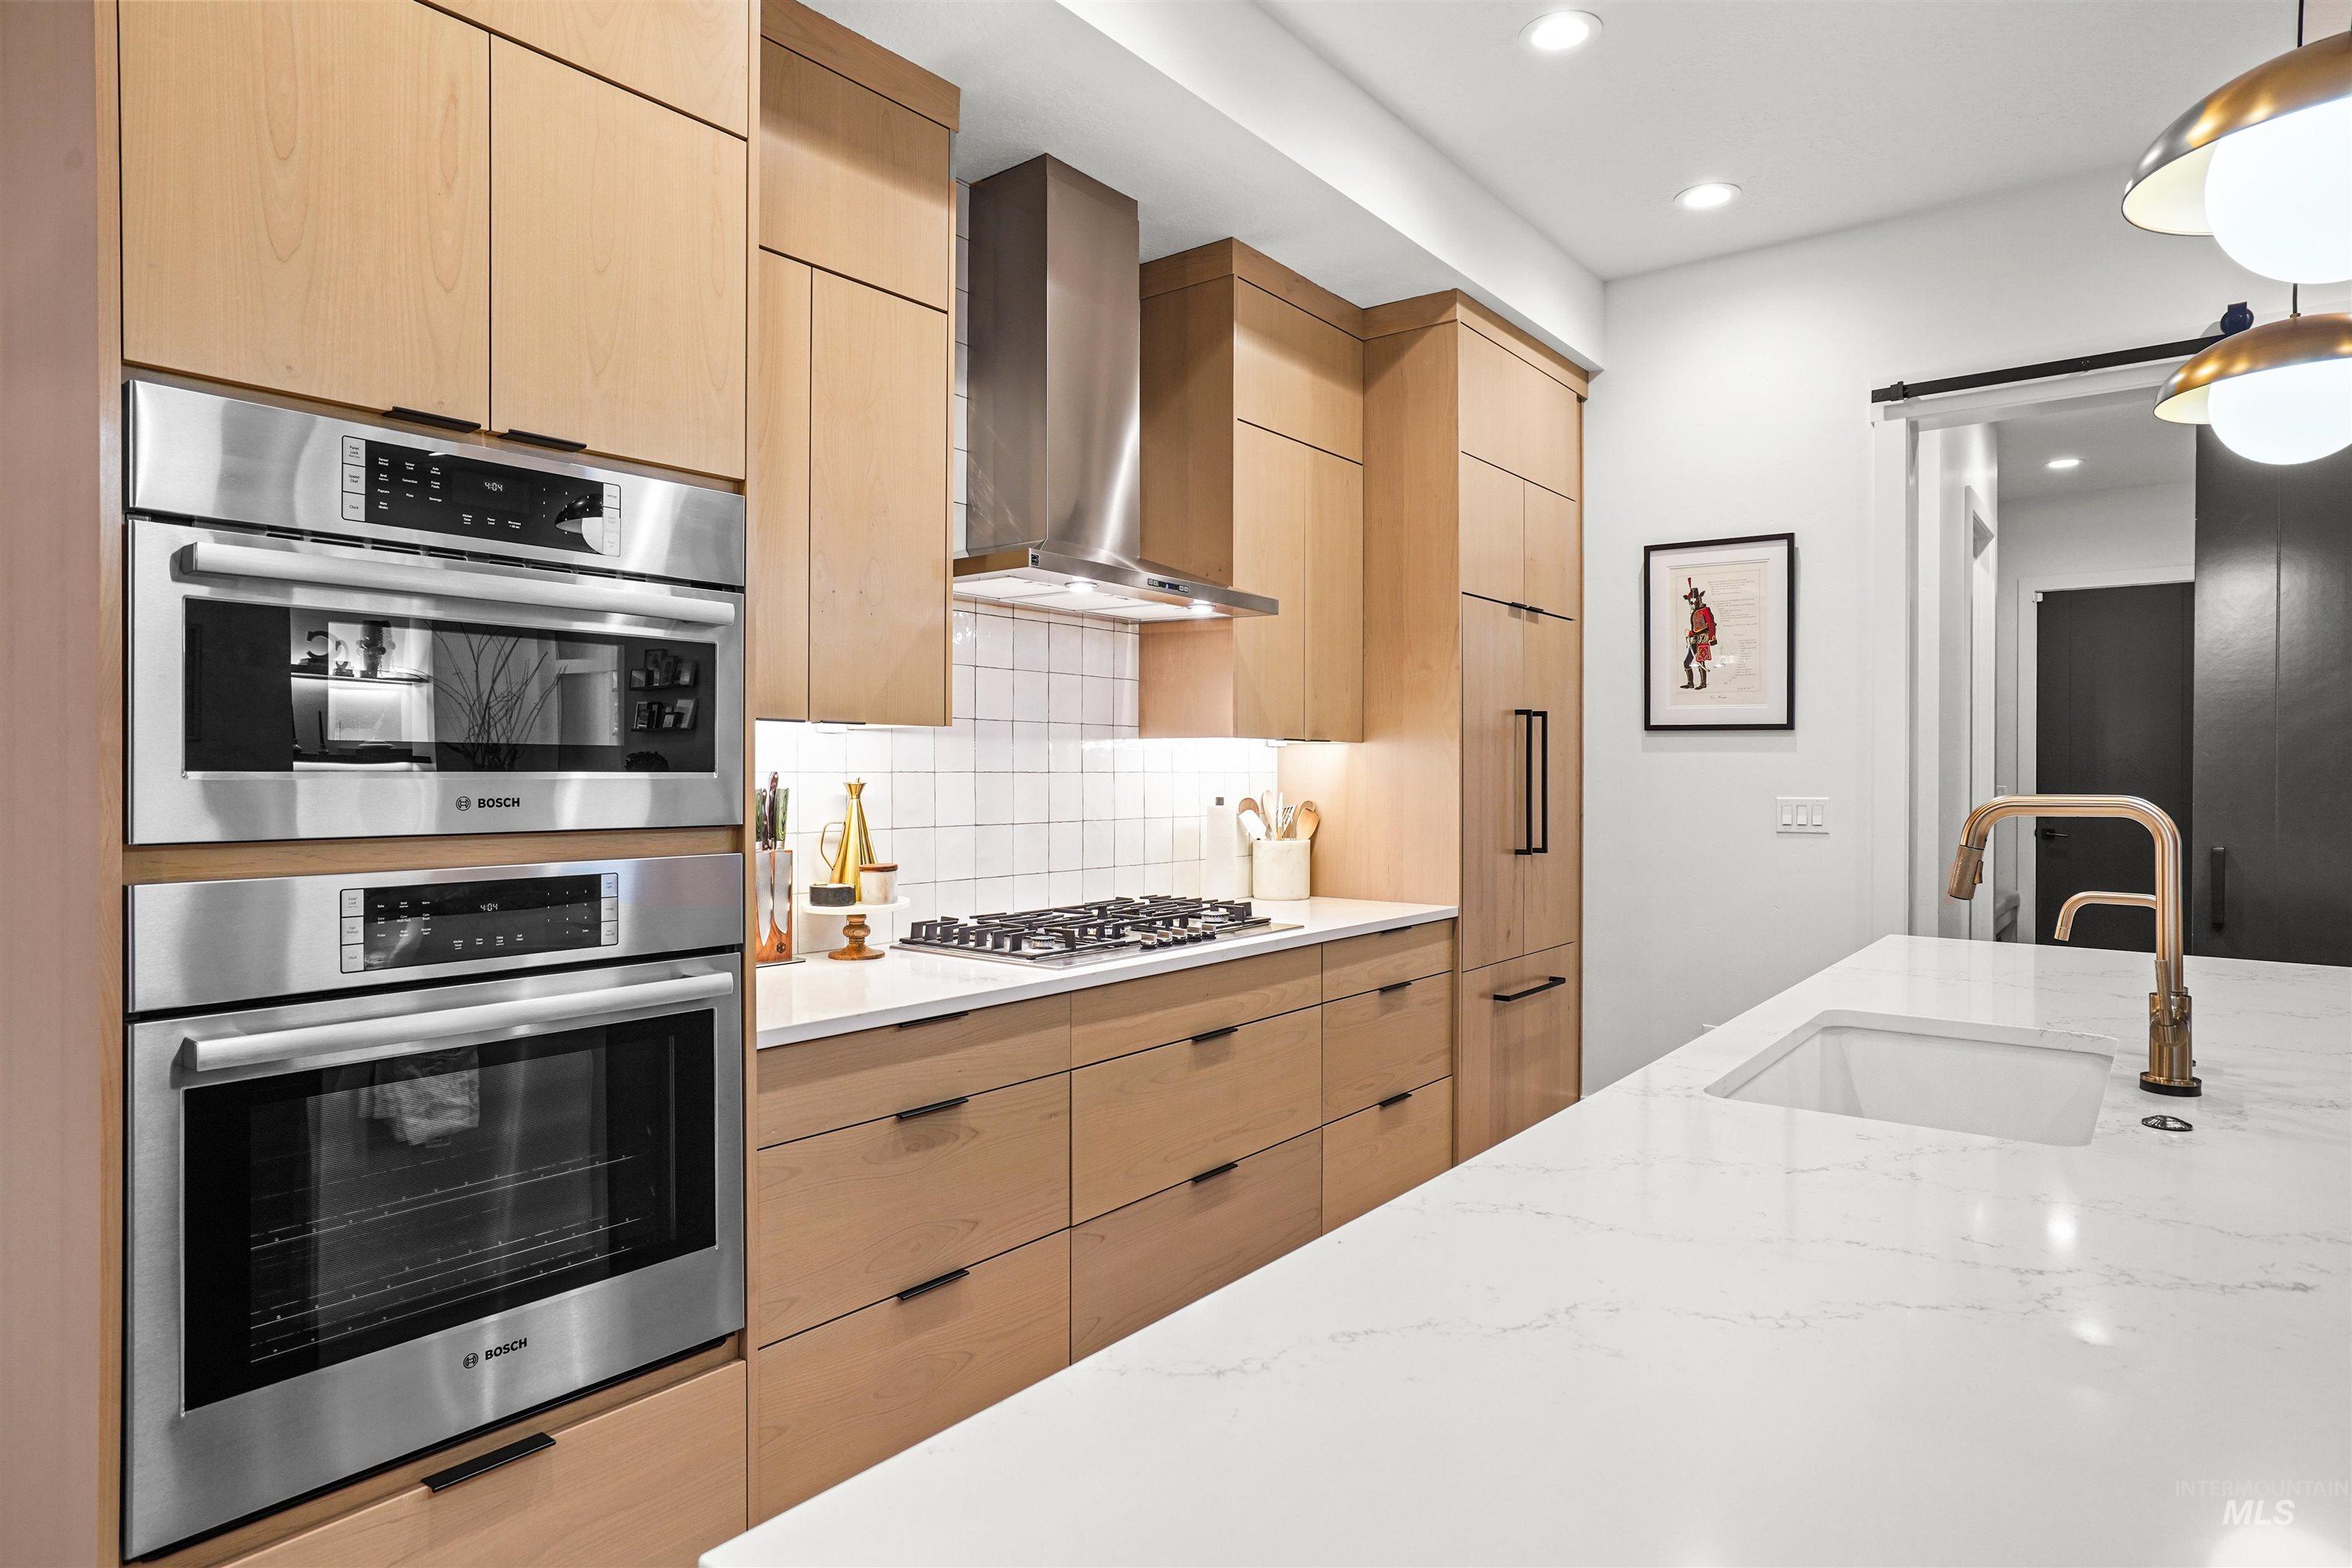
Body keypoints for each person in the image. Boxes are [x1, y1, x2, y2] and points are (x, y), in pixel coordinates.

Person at [1681, 578, 1717, 690]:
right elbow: (1697, 628)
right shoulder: (1694, 611)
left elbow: (1711, 625)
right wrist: (1691, 633)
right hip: (1695, 639)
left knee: (1701, 661)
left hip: (1703, 639)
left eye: (1694, 601)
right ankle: (1690, 682)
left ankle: (1703, 683)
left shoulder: (1705, 610)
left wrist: (1712, 638)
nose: (1692, 604)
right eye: (1690, 602)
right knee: (1687, 662)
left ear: (1699, 599)